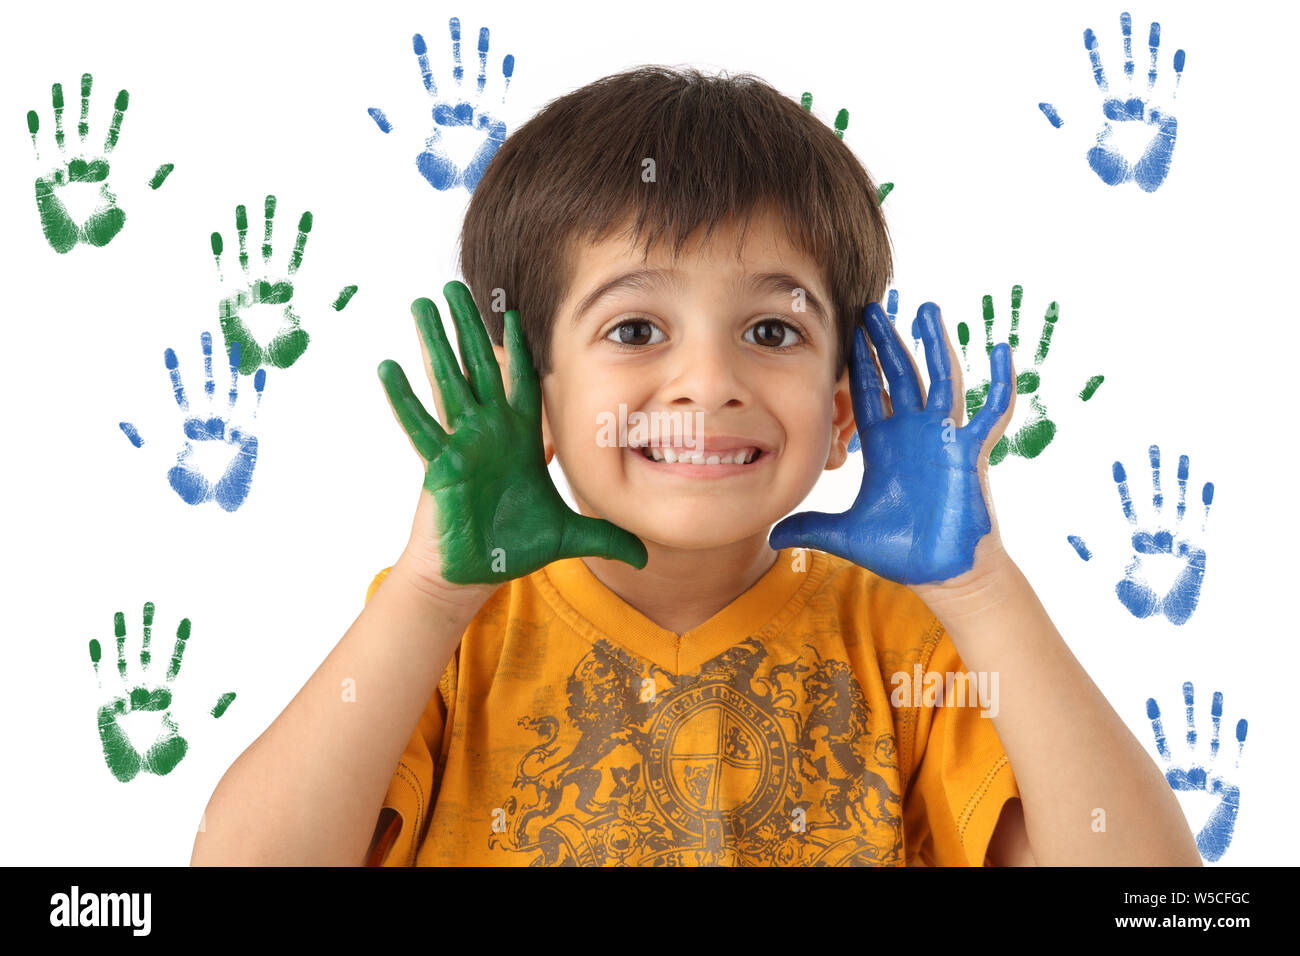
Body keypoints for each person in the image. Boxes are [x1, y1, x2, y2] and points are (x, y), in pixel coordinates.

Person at [190, 66, 1200, 867]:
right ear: (528, 393)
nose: (709, 381)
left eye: (771, 327)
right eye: (635, 326)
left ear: (845, 405)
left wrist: (984, 593)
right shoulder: (451, 628)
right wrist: (420, 597)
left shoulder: (909, 641)